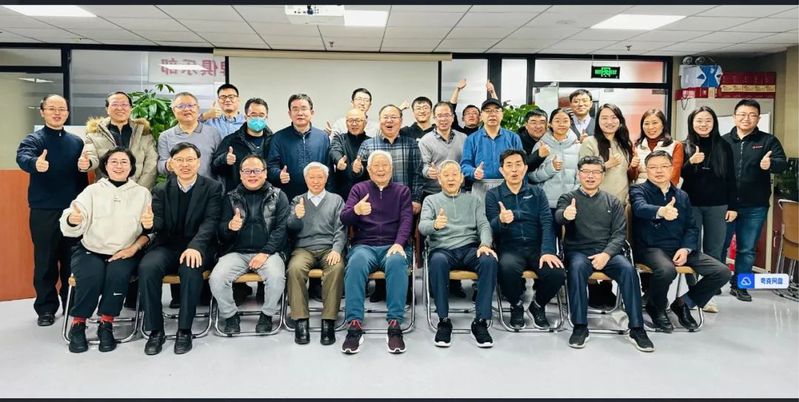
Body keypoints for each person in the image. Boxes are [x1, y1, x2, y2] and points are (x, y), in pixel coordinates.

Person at [555, 155, 653, 352]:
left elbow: (619, 234)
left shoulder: (613, 201)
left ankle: (637, 328)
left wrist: (606, 254)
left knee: (628, 270)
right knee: (576, 268)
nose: (590, 176)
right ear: (579, 174)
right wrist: (565, 215)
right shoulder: (568, 198)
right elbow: (559, 216)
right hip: (579, 252)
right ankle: (580, 326)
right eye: (586, 172)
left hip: (608, 253)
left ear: (602, 175)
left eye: (595, 172)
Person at [59, 147, 151, 353]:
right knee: (91, 276)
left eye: (124, 162)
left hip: (125, 251)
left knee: (117, 275)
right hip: (91, 249)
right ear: (105, 166)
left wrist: (136, 244)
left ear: (131, 167)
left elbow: (148, 230)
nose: (119, 166)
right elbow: (72, 216)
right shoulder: (92, 191)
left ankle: (106, 324)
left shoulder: (142, 193)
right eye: (114, 162)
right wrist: (73, 219)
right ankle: (78, 324)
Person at [630, 150, 732, 332]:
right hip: (650, 248)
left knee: (722, 271)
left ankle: (684, 303)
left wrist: (686, 248)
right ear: (647, 170)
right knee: (666, 270)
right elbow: (639, 208)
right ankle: (656, 307)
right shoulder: (638, 190)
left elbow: (691, 227)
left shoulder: (682, 195)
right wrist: (661, 211)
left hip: (679, 248)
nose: (659, 171)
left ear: (671, 169)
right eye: (653, 167)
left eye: (664, 166)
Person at [139, 142, 222, 356]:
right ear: (172, 164)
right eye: (180, 160)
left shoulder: (212, 187)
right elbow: (158, 224)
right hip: (167, 245)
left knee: (190, 268)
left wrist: (195, 246)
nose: (185, 164)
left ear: (198, 162)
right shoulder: (161, 190)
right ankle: (155, 330)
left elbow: (211, 222)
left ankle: (184, 330)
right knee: (147, 268)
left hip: (199, 245)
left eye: (190, 160)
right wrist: (149, 224)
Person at [16, 94, 89, 327]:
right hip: (44, 210)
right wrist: (34, 163)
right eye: (52, 108)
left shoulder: (77, 142)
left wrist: (85, 166)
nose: (57, 113)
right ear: (42, 112)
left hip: (73, 211)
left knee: (72, 260)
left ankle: (71, 303)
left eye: (62, 109)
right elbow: (22, 157)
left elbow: (83, 173)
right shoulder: (34, 139)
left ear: (67, 113)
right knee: (45, 261)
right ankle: (46, 308)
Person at [339, 151, 413, 354]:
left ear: (391, 169)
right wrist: (356, 211)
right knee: (355, 263)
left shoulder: (402, 191)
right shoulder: (359, 189)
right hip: (365, 245)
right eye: (376, 166)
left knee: (397, 262)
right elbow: (344, 218)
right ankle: (354, 324)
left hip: (393, 244)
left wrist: (399, 243)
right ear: (369, 170)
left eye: (385, 165)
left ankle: (395, 324)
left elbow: (407, 220)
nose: (381, 169)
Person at [419, 160, 498, 347]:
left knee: (488, 260)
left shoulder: (473, 200)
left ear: (462, 178)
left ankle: (480, 321)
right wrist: (434, 224)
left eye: (455, 174)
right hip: (442, 249)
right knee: (437, 261)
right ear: (439, 179)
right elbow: (422, 227)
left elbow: (484, 225)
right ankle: (443, 320)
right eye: (446, 175)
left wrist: (485, 244)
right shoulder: (431, 200)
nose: (451, 178)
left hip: (470, 248)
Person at [486, 150, 565, 330]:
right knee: (506, 268)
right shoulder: (493, 195)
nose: (514, 170)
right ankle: (516, 305)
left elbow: (547, 222)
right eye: (509, 165)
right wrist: (501, 220)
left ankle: (538, 305)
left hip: (536, 247)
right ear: (502, 170)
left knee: (556, 272)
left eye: (518, 165)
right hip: (509, 247)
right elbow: (491, 227)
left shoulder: (537, 193)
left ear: (525, 168)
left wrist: (547, 251)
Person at [210, 154, 288, 336]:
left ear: (265, 173)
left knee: (276, 277)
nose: (252, 175)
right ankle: (231, 316)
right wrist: (229, 227)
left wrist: (265, 252)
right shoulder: (230, 197)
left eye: (257, 170)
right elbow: (220, 231)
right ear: (240, 174)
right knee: (217, 278)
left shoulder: (279, 196)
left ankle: (267, 316)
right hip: (236, 252)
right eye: (247, 171)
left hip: (269, 253)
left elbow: (281, 229)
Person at [721, 99, 788, 302]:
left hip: (755, 205)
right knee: (719, 246)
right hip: (725, 204)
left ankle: (741, 285)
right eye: (742, 114)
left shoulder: (768, 141)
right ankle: (713, 283)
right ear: (734, 117)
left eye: (752, 115)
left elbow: (782, 163)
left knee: (747, 249)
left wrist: (771, 164)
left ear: (758, 118)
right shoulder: (723, 141)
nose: (746, 118)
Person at [356, 104, 423, 302]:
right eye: (385, 117)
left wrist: (416, 198)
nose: (389, 121)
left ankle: (403, 288)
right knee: (378, 239)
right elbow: (361, 175)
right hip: (375, 204)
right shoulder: (368, 144)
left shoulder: (411, 144)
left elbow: (417, 173)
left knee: (401, 241)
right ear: (379, 121)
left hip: (403, 202)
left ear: (401, 121)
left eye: (394, 117)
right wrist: (356, 169)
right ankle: (380, 288)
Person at [579, 103, 638, 309]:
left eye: (614, 117)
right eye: (604, 117)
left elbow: (628, 176)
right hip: (595, 204)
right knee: (593, 245)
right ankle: (594, 288)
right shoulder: (590, 142)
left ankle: (606, 288)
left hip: (620, 205)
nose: (609, 121)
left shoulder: (624, 143)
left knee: (614, 248)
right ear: (598, 121)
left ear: (620, 121)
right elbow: (583, 171)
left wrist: (634, 168)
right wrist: (605, 165)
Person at [682, 106, 737, 312]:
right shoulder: (683, 146)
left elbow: (731, 178)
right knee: (692, 249)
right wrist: (690, 162)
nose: (703, 124)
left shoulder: (724, 146)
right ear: (692, 123)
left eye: (707, 120)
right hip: (690, 205)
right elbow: (677, 176)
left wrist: (733, 206)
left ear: (714, 122)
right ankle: (692, 291)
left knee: (714, 250)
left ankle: (707, 295)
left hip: (718, 205)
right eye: (699, 120)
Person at [286, 162, 346, 345]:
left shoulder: (336, 200)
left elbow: (341, 229)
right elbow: (290, 227)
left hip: (329, 248)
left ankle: (328, 320)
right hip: (303, 248)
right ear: (305, 179)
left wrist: (336, 250)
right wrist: (296, 216)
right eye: (311, 177)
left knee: (336, 268)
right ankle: (300, 320)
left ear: (326, 179)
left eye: (320, 177)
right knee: (294, 269)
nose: (316, 181)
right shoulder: (298, 200)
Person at [84, 91, 158, 189]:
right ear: (107, 109)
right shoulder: (94, 134)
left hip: (138, 191)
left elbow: (151, 165)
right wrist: (87, 163)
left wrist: (138, 190)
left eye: (124, 105)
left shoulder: (144, 133)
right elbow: (90, 158)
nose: (120, 108)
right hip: (105, 191)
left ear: (131, 108)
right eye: (115, 104)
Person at [267, 93, 331, 201]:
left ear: (312, 112)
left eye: (304, 108)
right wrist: (279, 174)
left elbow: (329, 170)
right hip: (288, 197)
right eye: (295, 109)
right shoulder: (278, 137)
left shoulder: (322, 137)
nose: (300, 113)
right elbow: (270, 167)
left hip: (318, 196)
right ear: (289, 113)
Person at [461, 98, 523, 199]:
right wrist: (473, 171)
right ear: (481, 116)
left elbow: (521, 164)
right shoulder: (471, 139)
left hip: (508, 185)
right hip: (480, 186)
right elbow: (464, 165)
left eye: (496, 110)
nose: (492, 114)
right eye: (488, 111)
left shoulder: (513, 138)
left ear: (502, 114)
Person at [529, 107, 582, 218]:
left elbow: (581, 177)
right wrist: (551, 168)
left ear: (571, 123)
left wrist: (573, 196)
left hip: (571, 203)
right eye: (557, 121)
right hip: (546, 204)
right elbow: (531, 176)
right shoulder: (541, 145)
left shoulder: (578, 146)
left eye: (565, 121)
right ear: (550, 124)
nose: (561, 124)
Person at [157, 91, 221, 180]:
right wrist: (168, 165)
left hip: (209, 186)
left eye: (191, 105)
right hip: (177, 186)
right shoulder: (165, 136)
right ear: (173, 110)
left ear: (198, 108)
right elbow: (161, 167)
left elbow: (219, 163)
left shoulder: (213, 133)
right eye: (181, 106)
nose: (186, 109)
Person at [632, 109, 684, 186]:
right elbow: (632, 177)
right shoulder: (636, 146)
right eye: (646, 124)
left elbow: (674, 176)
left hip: (665, 190)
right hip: (640, 190)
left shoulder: (675, 145)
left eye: (655, 123)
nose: (650, 127)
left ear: (663, 125)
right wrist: (633, 167)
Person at [329, 108, 370, 200]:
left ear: (365, 123)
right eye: (350, 120)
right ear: (346, 123)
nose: (354, 124)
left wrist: (360, 168)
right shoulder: (339, 138)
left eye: (358, 120)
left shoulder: (370, 142)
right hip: (342, 193)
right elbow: (334, 150)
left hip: (365, 193)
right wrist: (338, 160)